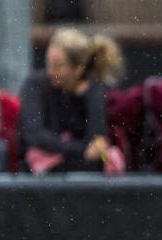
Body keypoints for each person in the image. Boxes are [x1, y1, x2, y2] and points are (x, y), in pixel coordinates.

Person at [18, 27, 125, 174]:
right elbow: (34, 135)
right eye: (49, 64)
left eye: (58, 66)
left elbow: (96, 141)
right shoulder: (35, 84)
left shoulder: (94, 91)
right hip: (37, 175)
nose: (51, 72)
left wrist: (67, 150)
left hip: (83, 174)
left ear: (78, 69)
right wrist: (80, 150)